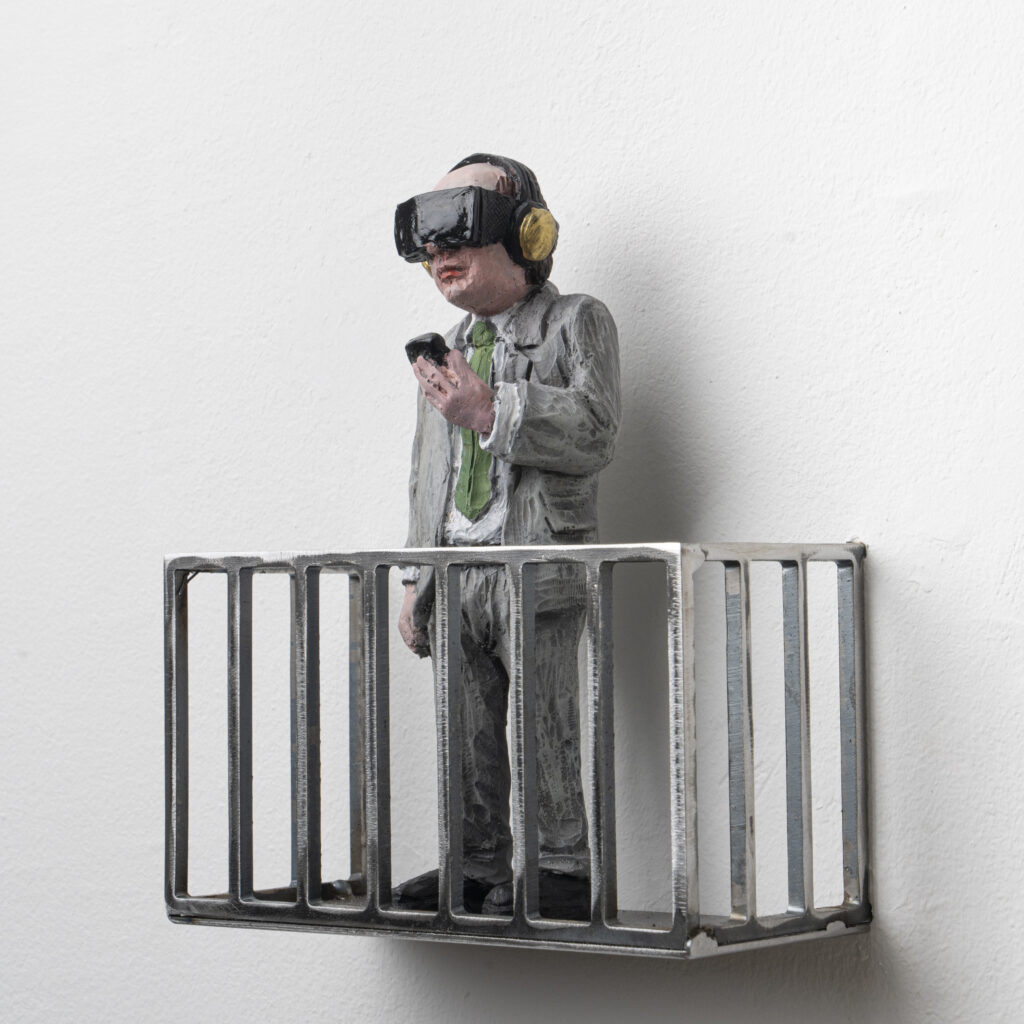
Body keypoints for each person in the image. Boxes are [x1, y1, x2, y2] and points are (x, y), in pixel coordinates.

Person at [392, 154, 620, 918]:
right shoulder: (445, 350)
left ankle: (561, 868)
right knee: (464, 730)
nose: (439, 253)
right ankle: (475, 864)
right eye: (427, 237)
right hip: (456, 568)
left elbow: (595, 430)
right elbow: (427, 471)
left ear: (528, 232)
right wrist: (416, 580)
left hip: (535, 563)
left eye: (461, 226)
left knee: (544, 720)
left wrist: (495, 412)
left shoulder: (576, 322)